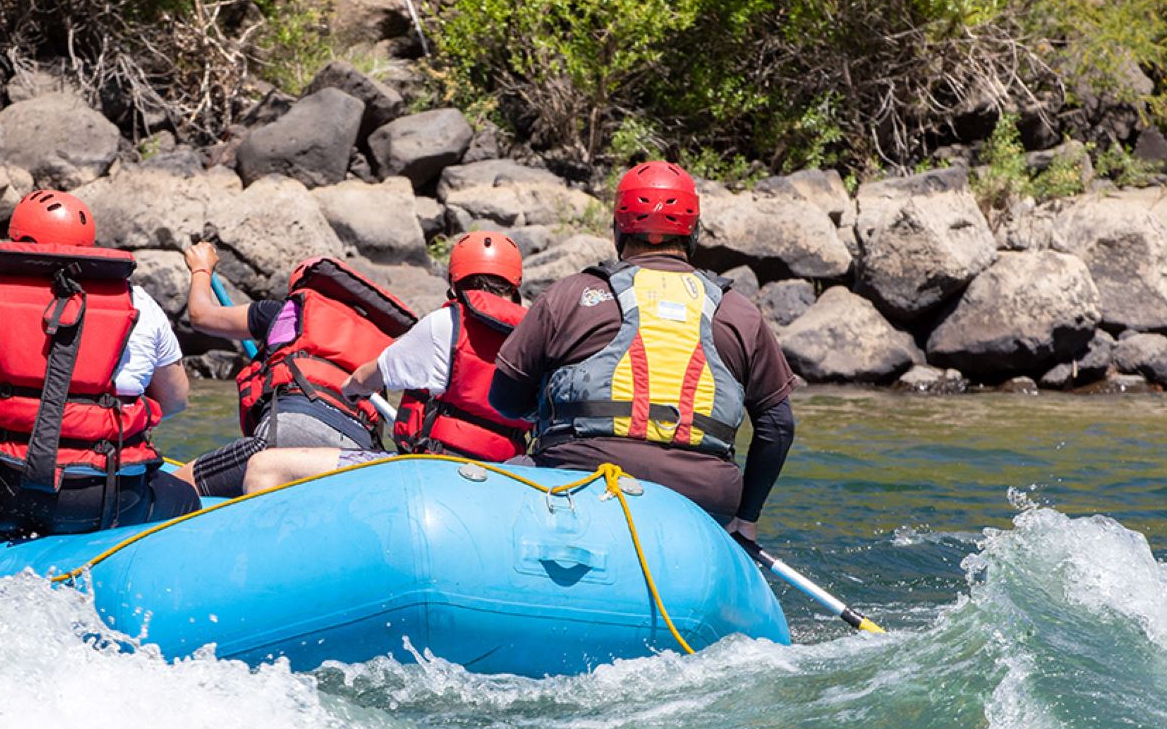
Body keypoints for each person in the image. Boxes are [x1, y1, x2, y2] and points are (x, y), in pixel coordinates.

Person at [488, 161, 797, 542]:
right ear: (693, 231)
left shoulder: (570, 294)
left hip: (576, 474)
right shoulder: (739, 312)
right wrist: (746, 519)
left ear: (619, 228)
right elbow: (778, 426)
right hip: (703, 497)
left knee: (495, 490)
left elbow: (503, 397)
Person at [0, 190, 199, 538]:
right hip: (107, 498)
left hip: (7, 496)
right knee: (187, 499)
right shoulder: (140, 304)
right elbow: (176, 400)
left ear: (20, 243)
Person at [241, 232, 533, 492]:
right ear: (515, 287)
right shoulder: (538, 336)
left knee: (265, 466)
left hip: (433, 473)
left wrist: (351, 388)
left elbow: (369, 376)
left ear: (454, 284)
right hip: (502, 480)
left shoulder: (445, 324)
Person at [178, 244, 417, 497]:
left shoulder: (285, 313)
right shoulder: (376, 346)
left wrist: (201, 268)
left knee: (171, 490)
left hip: (281, 440)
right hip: (352, 458)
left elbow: (201, 315)